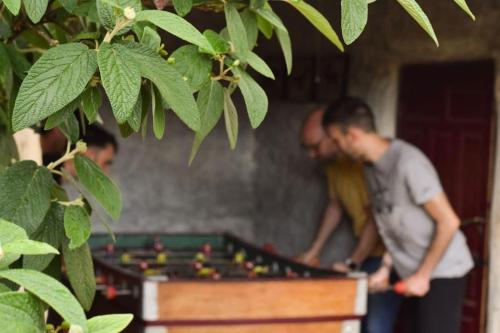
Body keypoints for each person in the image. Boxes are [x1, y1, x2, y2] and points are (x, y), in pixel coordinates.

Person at [322, 97, 474, 333]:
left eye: (336, 140)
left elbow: (449, 221)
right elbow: (386, 221)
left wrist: (423, 276)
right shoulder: (370, 167)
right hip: (411, 272)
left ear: (352, 135)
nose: (336, 148)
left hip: (443, 271)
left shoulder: (408, 163)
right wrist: (384, 269)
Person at [298, 108, 400, 333]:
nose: (312, 154)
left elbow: (376, 218)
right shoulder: (333, 165)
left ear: (333, 135)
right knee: (358, 324)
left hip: (386, 255)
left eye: (315, 146)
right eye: (307, 148)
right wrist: (314, 251)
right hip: (366, 257)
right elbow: (335, 205)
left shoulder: (367, 163)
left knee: (375, 328)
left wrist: (352, 263)